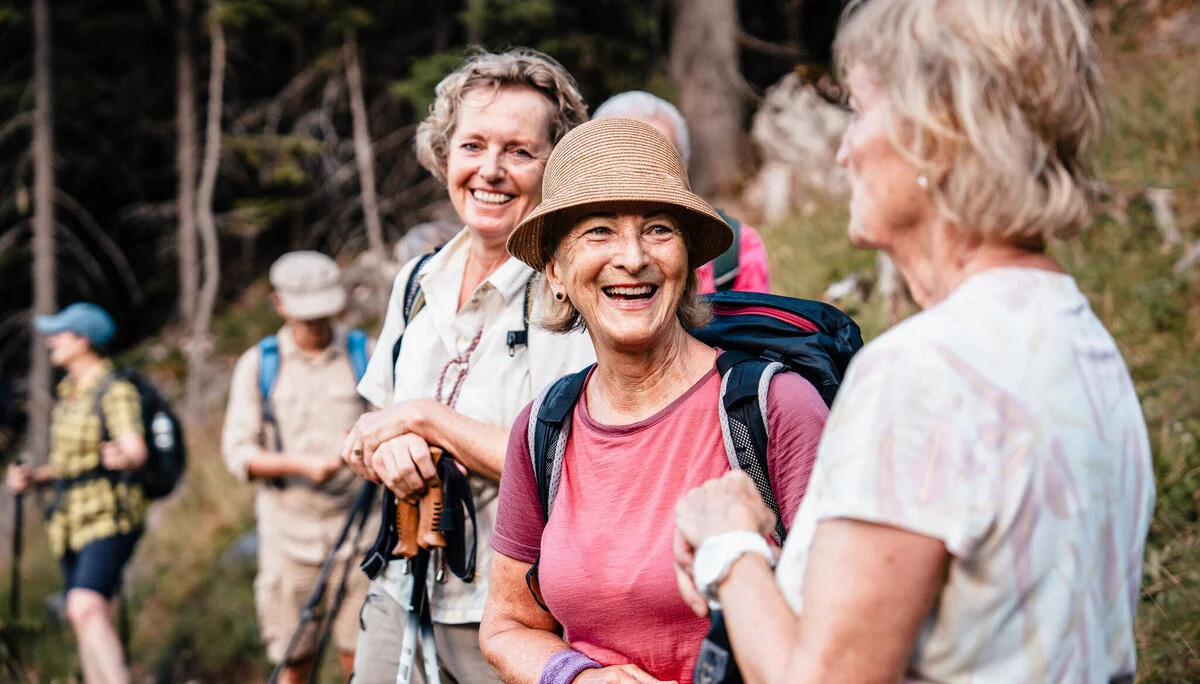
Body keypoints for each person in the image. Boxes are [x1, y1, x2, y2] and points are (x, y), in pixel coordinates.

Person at [672, 1, 1157, 682]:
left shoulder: (926, 372)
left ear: (941, 131)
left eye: (861, 108)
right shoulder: (1083, 340)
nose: (843, 149)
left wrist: (727, 542)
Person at [478, 117, 828, 684]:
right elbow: (506, 625)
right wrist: (577, 678)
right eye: (599, 231)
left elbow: (843, 632)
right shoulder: (544, 429)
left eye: (659, 229)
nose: (633, 257)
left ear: (688, 263)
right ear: (557, 272)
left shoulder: (772, 408)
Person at [340, 48, 595, 684]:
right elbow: (375, 422)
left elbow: (565, 463)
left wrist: (425, 419)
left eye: (519, 151)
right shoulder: (417, 280)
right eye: (473, 145)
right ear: (444, 153)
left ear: (555, 166)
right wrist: (383, 451)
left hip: (514, 618)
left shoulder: (567, 292)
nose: (491, 170)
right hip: (401, 590)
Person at [221, 251, 379, 684]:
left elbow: (391, 426)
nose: (317, 323)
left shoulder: (364, 353)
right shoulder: (258, 365)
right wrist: (300, 466)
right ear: (280, 304)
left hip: (362, 536)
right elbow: (238, 453)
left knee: (362, 662)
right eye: (307, 314)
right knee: (294, 661)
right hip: (287, 540)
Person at [5, 303, 146, 683]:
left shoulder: (114, 390)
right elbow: (75, 463)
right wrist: (36, 477)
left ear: (84, 340)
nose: (52, 341)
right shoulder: (70, 393)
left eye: (60, 333)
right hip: (70, 521)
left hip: (108, 515)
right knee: (82, 613)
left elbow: (135, 448)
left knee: (85, 605)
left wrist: (125, 455)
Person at [593, 91, 771, 294]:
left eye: (662, 158)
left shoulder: (735, 248)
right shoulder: (571, 244)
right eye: (625, 158)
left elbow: (755, 323)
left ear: (685, 165)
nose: (643, 174)